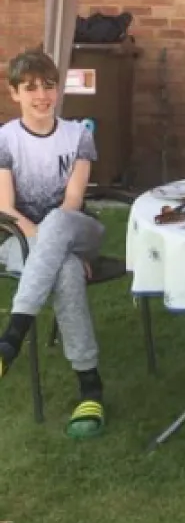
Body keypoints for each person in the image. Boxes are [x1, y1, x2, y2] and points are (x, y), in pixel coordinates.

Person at [0, 50, 106, 439]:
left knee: (60, 221)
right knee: (65, 271)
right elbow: (5, 208)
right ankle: (90, 387)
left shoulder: (78, 135)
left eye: (48, 86)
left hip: (78, 233)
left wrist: (58, 242)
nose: (42, 96)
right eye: (30, 88)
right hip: (20, 237)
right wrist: (50, 246)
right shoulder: (5, 139)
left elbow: (73, 202)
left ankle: (12, 337)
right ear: (14, 93)